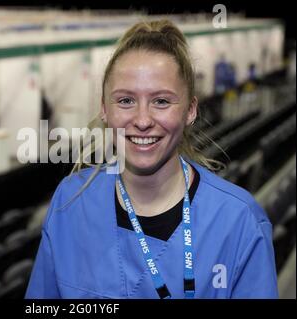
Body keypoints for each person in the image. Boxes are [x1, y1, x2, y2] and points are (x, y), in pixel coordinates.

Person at [25, 20, 278, 299]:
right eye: (125, 101)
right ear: (104, 109)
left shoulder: (239, 221)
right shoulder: (70, 203)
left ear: (191, 110)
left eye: (161, 101)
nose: (143, 120)